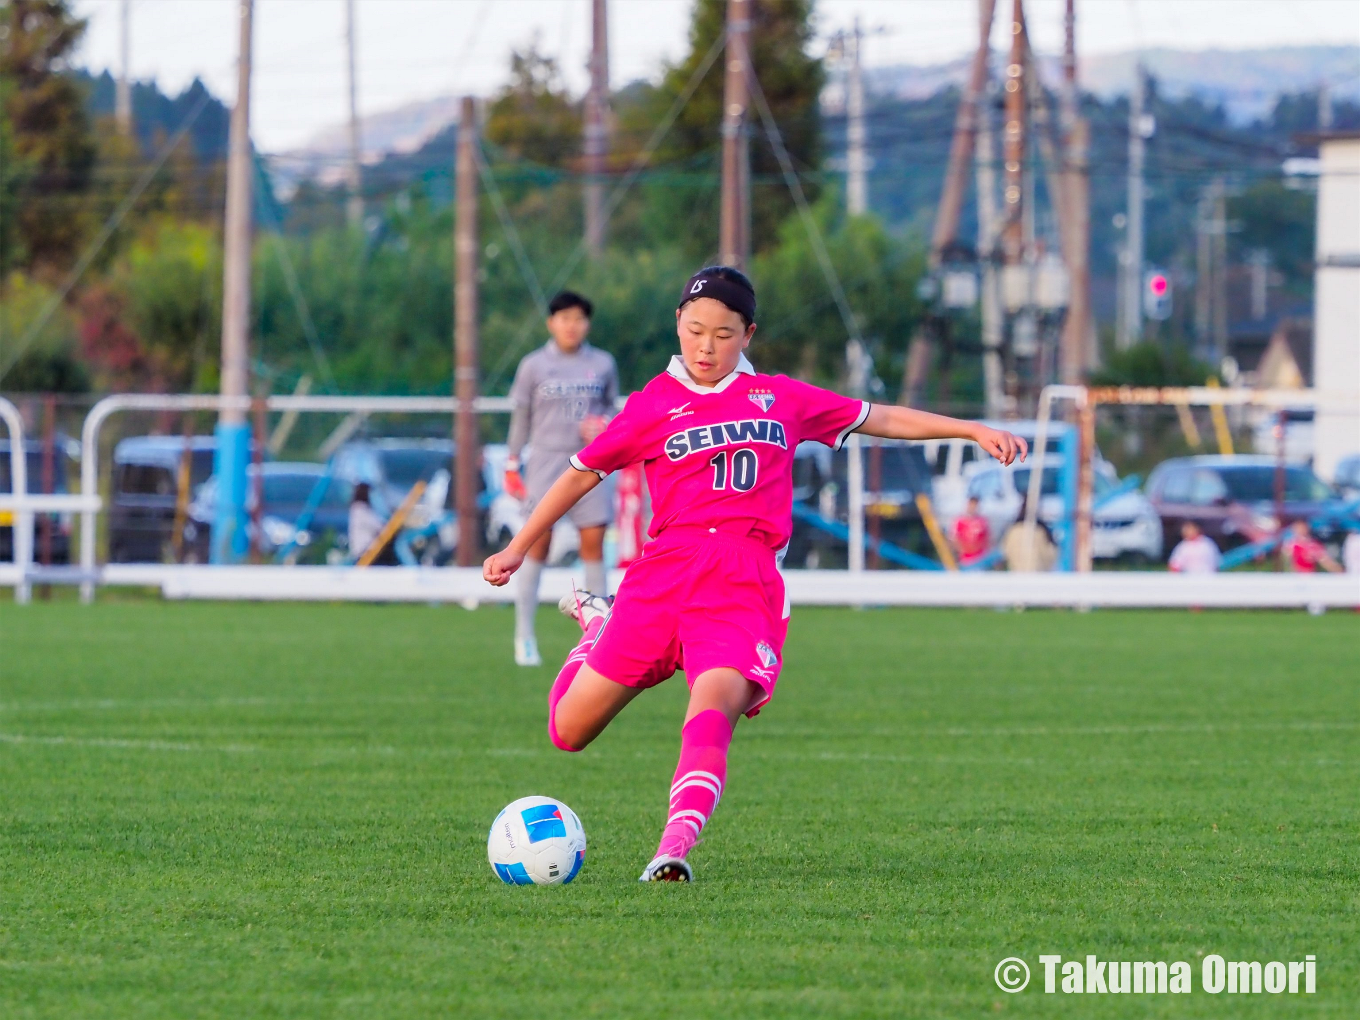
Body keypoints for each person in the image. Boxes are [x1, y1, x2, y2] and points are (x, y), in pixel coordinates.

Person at [483, 266, 1027, 882]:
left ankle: (673, 850)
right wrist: (520, 545)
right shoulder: (652, 404)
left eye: (722, 333)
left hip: (741, 581)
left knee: (713, 706)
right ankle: (597, 625)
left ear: (748, 334)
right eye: (694, 331)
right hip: (662, 578)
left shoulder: (782, 397)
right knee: (567, 731)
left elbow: (883, 418)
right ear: (678, 328)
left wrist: (971, 429)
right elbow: (582, 471)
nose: (705, 346)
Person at [505, 291, 619, 666]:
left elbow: (612, 413)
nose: (572, 325)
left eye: (580, 318)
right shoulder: (534, 365)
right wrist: (511, 462)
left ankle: (599, 636)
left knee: (593, 542)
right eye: (564, 318)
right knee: (536, 542)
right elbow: (521, 417)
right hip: (547, 462)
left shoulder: (602, 363)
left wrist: (603, 426)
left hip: (591, 462)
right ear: (551, 323)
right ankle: (524, 636)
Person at [1000, 496, 1056, 572]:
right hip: (1035, 575)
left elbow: (1004, 551)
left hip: (1018, 574)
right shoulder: (1040, 531)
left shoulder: (1012, 530)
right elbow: (1051, 554)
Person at [347, 482, 384, 561]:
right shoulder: (360, 509)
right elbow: (378, 525)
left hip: (363, 550)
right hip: (364, 551)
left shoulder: (357, 509)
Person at [950, 496, 991, 566]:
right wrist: (963, 550)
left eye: (975, 505)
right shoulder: (960, 521)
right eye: (971, 505)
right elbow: (954, 539)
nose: (973, 507)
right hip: (965, 559)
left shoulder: (982, 522)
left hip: (980, 559)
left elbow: (987, 539)